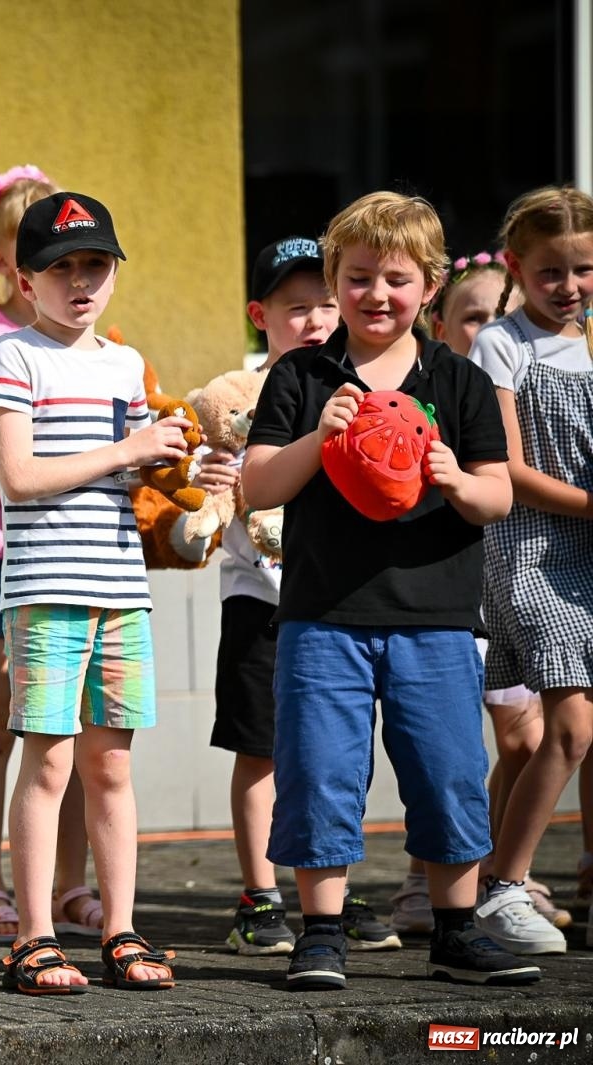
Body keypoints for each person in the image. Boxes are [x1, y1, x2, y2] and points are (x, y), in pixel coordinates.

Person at [244, 190, 539, 990]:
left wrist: (454, 477)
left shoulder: (460, 379)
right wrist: (320, 435)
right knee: (319, 772)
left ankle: (455, 929)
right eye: (359, 277)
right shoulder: (301, 374)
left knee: (448, 770)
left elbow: (497, 495)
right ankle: (322, 932)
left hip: (436, 618)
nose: (377, 294)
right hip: (321, 616)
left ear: (431, 286)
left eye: (397, 279)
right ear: (335, 280)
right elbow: (258, 485)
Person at [0, 191, 179, 994]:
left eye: (96, 264)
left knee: (112, 765)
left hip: (121, 587)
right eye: (62, 268)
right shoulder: (13, 356)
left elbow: (137, 476)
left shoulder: (125, 364)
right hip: (47, 590)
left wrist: (178, 468)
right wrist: (127, 449)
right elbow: (18, 478)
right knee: (50, 760)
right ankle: (34, 937)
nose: (82, 281)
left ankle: (120, 928)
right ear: (27, 281)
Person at [204, 238, 396, 955]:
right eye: (296, 308)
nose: (315, 320)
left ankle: (332, 889)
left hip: (338, 598)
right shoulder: (235, 396)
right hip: (260, 598)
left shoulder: (362, 383)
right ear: (260, 316)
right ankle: (260, 895)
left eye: (325, 303)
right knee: (260, 750)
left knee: (336, 751)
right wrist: (211, 478)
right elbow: (207, 483)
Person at [0, 165, 101, 944]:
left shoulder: (92, 345)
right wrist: (52, 468)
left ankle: (71, 883)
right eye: (28, 247)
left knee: (70, 727)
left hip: (75, 554)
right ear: (3, 260)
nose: (60, 268)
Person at [390, 250, 568, 937]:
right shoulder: (435, 389)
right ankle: (425, 878)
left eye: (500, 315)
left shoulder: (516, 387)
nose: (489, 327)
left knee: (522, 739)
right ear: (440, 323)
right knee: (443, 744)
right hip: (453, 587)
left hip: (519, 577)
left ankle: (496, 871)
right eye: (473, 317)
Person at [468, 185, 593, 956]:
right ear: (516, 268)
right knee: (570, 726)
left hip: (588, 548)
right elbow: (509, 470)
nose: (569, 286)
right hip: (535, 554)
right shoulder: (502, 344)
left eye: (584, 269)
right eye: (551, 271)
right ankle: (503, 886)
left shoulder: (592, 340)